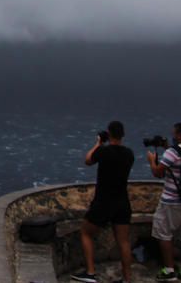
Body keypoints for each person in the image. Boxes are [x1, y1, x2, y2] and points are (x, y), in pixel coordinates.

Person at [71, 120, 134, 283]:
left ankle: (91, 273)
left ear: (109, 133)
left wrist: (98, 143)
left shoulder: (104, 152)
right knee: (124, 242)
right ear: (123, 135)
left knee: (85, 232)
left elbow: (88, 160)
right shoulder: (129, 154)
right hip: (122, 202)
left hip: (104, 201)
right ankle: (127, 279)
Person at [146, 122, 181, 282]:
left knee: (164, 234)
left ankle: (169, 271)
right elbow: (180, 164)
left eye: (174, 133)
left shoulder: (171, 153)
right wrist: (167, 147)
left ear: (180, 135)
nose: (173, 136)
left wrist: (151, 160)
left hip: (171, 202)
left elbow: (158, 173)